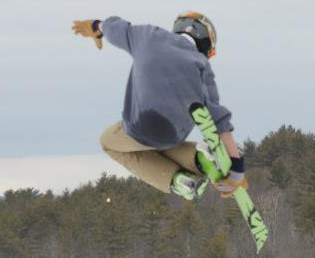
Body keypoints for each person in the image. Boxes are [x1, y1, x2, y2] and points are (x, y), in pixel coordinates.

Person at [71, 11, 247, 200]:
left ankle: (177, 180)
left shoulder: (147, 36)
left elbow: (115, 28)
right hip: (172, 136)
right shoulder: (201, 64)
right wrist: (237, 166)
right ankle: (198, 159)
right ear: (205, 43)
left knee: (108, 142)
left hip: (139, 127)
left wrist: (96, 26)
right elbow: (218, 118)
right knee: (158, 146)